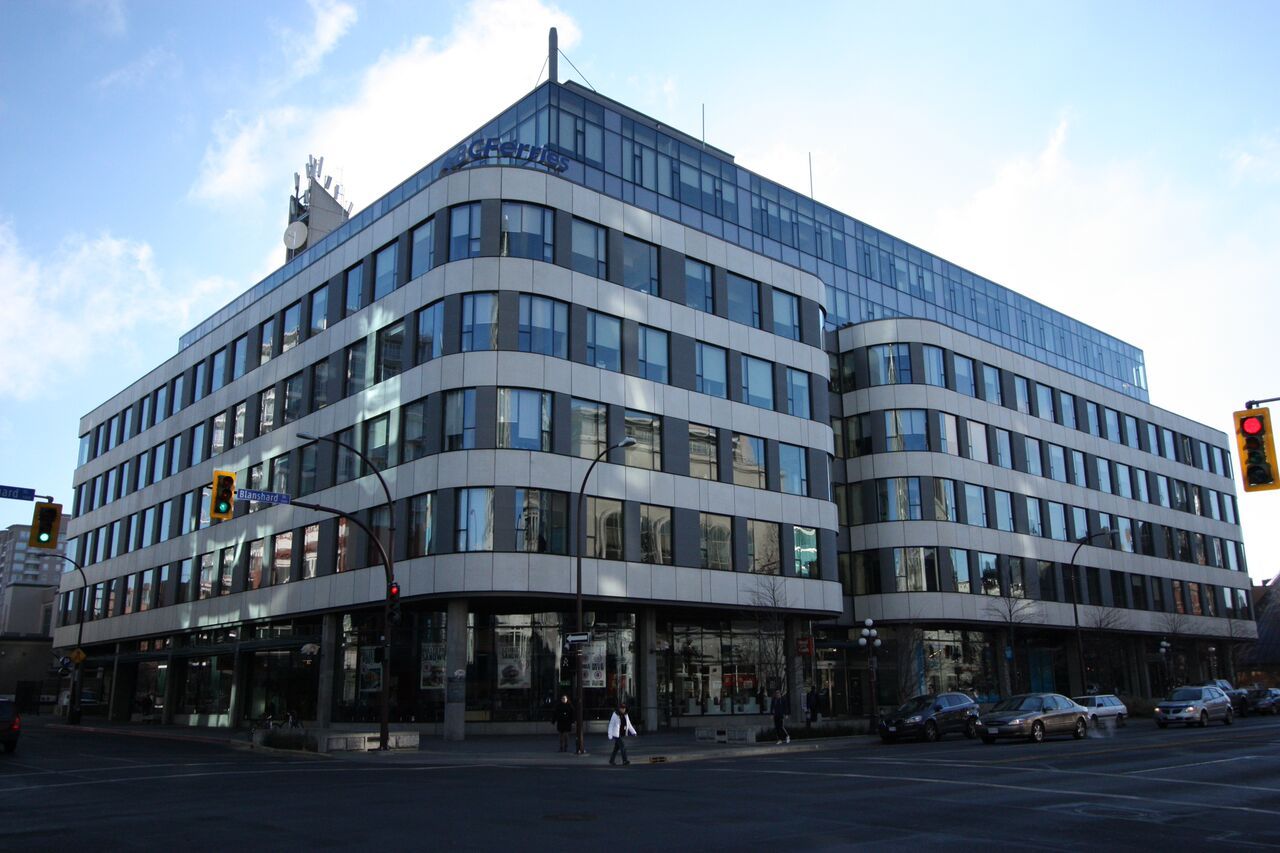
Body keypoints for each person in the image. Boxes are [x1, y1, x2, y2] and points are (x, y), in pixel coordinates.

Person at [607, 701, 638, 765]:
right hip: (616, 734)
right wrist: (610, 735)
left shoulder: (626, 715)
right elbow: (611, 725)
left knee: (616, 748)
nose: (623, 709)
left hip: (621, 733)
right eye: (621, 708)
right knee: (623, 747)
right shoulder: (615, 714)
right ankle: (625, 760)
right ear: (619, 708)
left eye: (624, 708)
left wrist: (633, 732)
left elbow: (629, 724)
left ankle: (611, 760)